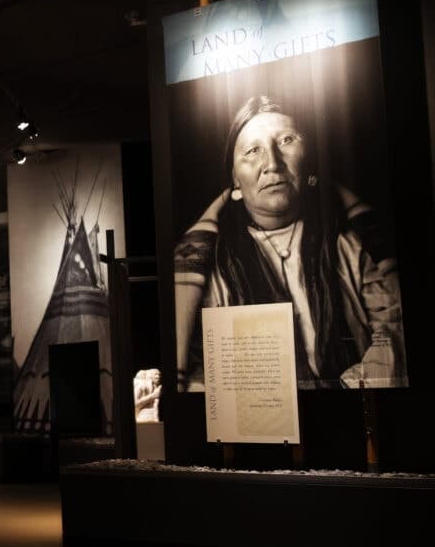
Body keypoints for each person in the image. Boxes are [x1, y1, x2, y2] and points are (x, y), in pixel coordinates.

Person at [173, 95, 406, 391]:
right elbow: (197, 373)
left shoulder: (353, 247)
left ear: (309, 160)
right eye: (252, 151)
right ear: (235, 181)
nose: (272, 163)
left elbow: (393, 334)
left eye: (286, 140)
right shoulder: (215, 267)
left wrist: (334, 400)